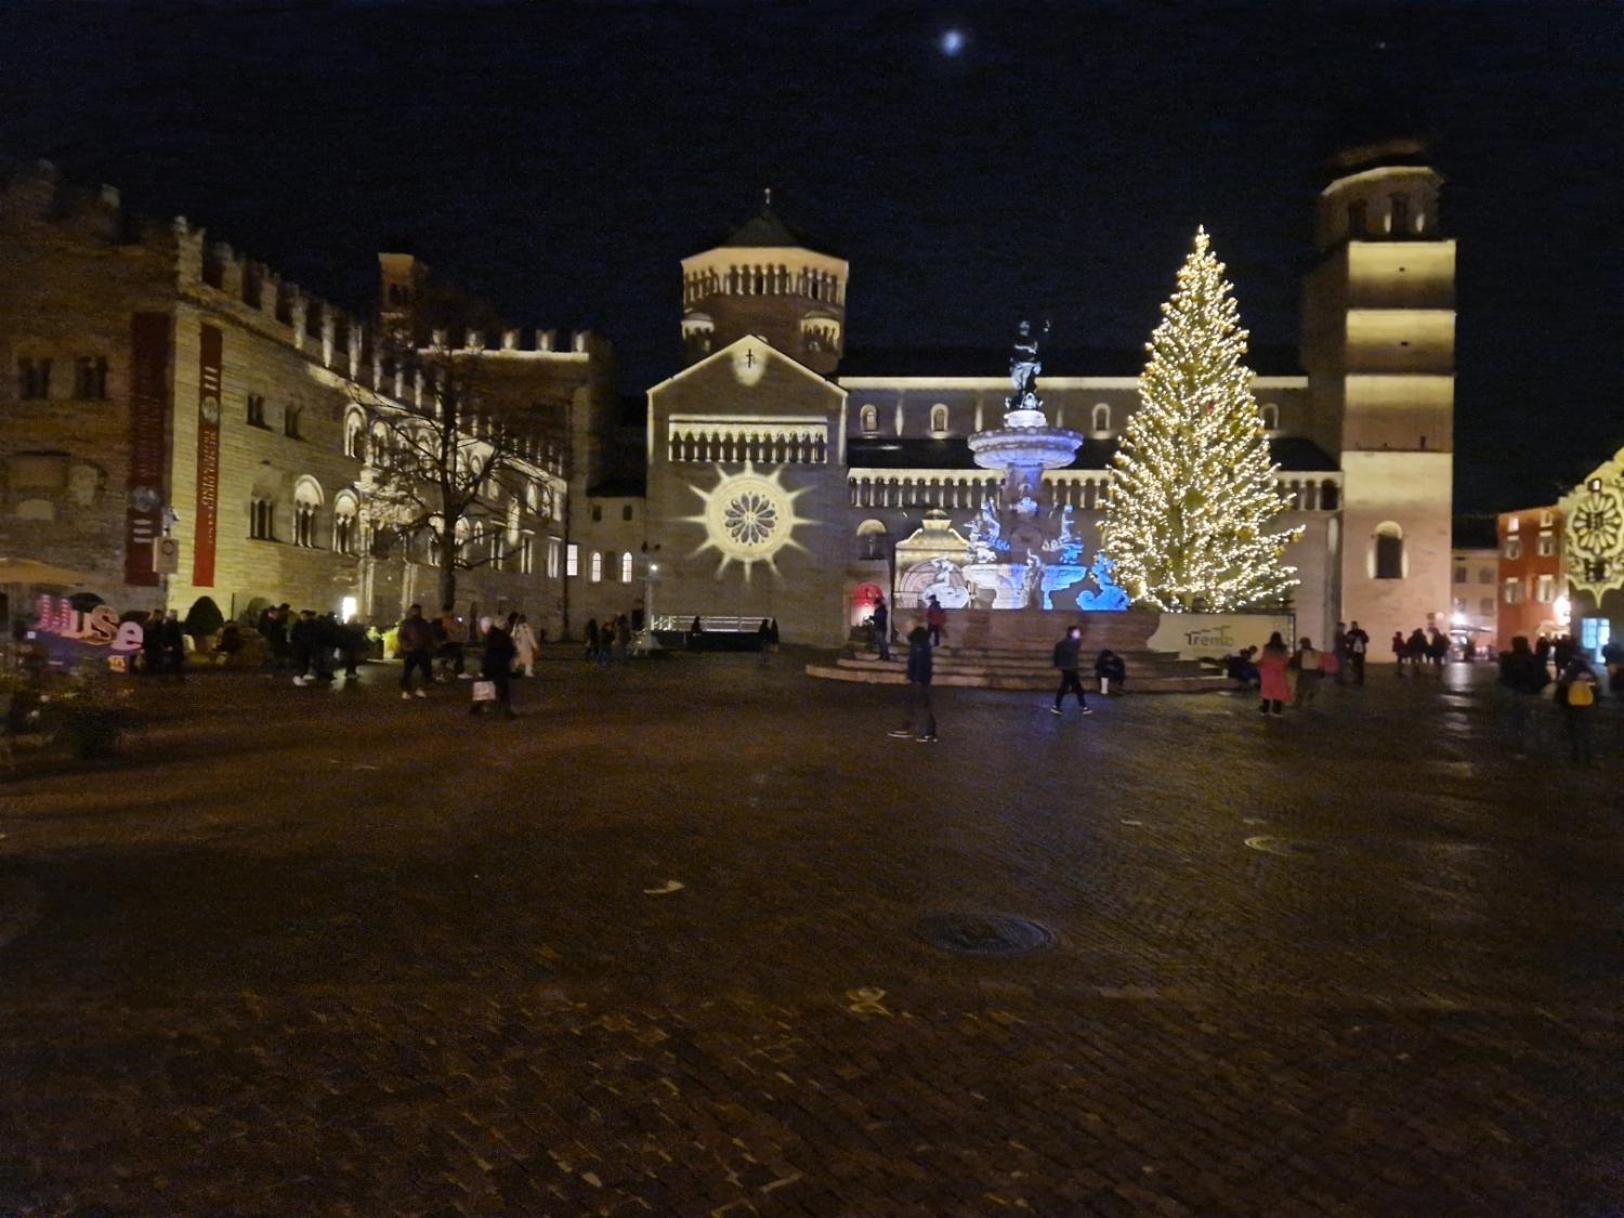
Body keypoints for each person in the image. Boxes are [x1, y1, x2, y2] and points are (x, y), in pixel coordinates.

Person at [1497, 636, 1549, 756]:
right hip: (1531, 693)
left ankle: (1515, 744)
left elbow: (1505, 676)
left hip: (1514, 692)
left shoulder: (1510, 659)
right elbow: (1544, 677)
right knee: (1530, 720)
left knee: (1514, 719)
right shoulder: (1533, 659)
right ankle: (1529, 746)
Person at [888, 619, 938, 742]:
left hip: (919, 679)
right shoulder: (919, 641)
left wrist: (916, 678)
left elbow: (920, 662)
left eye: (906, 626)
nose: (905, 629)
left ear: (912, 627)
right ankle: (908, 728)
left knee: (922, 705)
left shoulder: (919, 642)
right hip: (918, 678)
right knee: (913, 704)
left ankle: (929, 733)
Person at [1555, 652, 1599, 767]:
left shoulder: (1570, 671)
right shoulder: (1589, 672)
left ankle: (1575, 756)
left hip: (1572, 704)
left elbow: (1562, 685)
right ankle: (1588, 758)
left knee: (1574, 730)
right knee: (1586, 731)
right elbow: (1597, 686)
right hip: (1587, 704)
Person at [472, 616, 517, 719]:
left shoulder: (491, 636)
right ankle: (506, 711)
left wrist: (483, 667)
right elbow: (510, 650)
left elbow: (488, 653)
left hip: (491, 665)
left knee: (484, 686)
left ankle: (477, 708)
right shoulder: (503, 636)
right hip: (500, 666)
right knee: (502, 689)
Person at [1049, 625, 1092, 716]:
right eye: (1077, 632)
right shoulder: (1074, 643)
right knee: (1073, 687)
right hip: (1070, 668)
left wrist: (1057, 665)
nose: (1078, 634)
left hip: (1066, 668)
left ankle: (1082, 706)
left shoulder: (1061, 643)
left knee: (1067, 687)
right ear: (1072, 633)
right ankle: (1083, 707)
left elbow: (1056, 656)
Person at [398, 603, 435, 699]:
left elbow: (429, 636)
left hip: (420, 650)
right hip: (413, 650)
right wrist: (406, 646)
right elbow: (401, 636)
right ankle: (408, 690)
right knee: (408, 672)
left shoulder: (420, 623)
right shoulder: (410, 623)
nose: (416, 613)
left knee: (425, 672)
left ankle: (417, 689)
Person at [1257, 631, 1291, 716]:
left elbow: (1264, 658)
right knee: (1279, 691)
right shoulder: (1283, 648)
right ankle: (1276, 711)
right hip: (1279, 672)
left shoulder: (1267, 647)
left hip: (1267, 672)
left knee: (1266, 691)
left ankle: (1265, 710)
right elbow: (1286, 660)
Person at [290, 610, 321, 686]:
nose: (303, 617)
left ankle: (302, 675)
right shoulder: (299, 624)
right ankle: (298, 677)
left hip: (305, 647)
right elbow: (294, 635)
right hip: (301, 647)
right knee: (301, 662)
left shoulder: (305, 624)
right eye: (302, 616)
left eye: (304, 616)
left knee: (305, 661)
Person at [437, 605, 468, 678]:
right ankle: (459, 672)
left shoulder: (448, 620)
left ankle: (444, 671)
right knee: (458, 656)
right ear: (447, 612)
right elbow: (457, 630)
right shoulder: (447, 620)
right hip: (451, 642)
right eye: (451, 611)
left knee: (452, 657)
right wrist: (460, 626)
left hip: (451, 642)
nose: (452, 613)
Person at [1292, 636, 1322, 709]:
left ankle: (1298, 703)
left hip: (1304, 673)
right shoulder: (1315, 652)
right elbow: (1319, 663)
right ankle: (1309, 702)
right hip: (1313, 674)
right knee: (1312, 689)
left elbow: (1295, 662)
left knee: (1300, 689)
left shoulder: (1300, 652)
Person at [159, 609, 187, 680]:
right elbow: (166, 636)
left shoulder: (170, 624)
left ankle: (175, 677)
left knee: (174, 662)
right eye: (174, 615)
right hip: (172, 646)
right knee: (171, 662)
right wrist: (167, 645)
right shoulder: (168, 625)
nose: (176, 616)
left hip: (174, 646)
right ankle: (168, 677)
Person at [511, 613, 538, 677]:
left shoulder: (516, 627)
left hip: (517, 646)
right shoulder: (526, 628)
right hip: (526, 647)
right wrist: (535, 646)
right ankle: (528, 672)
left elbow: (512, 636)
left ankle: (512, 670)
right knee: (529, 660)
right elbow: (531, 637)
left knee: (517, 659)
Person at [141, 608, 165, 676]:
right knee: (152, 663)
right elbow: (146, 636)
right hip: (152, 646)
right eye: (160, 615)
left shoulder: (149, 624)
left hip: (153, 646)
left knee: (153, 663)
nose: (161, 617)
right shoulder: (153, 624)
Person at [871, 595, 891, 662]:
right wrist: (873, 618)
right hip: (877, 627)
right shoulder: (877, 610)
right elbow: (877, 618)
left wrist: (874, 618)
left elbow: (881, 618)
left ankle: (886, 656)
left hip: (881, 628)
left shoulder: (883, 610)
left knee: (883, 642)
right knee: (879, 642)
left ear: (879, 604)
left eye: (876, 604)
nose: (875, 606)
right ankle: (882, 655)